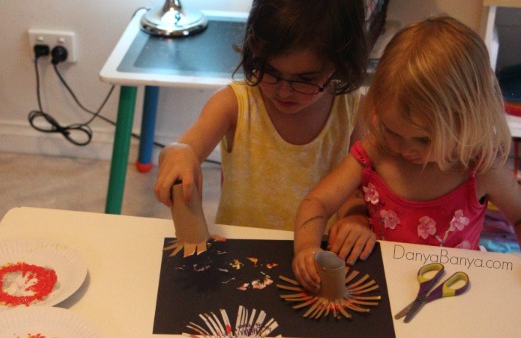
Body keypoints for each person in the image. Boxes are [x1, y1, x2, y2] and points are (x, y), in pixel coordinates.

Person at [293, 15, 521, 292]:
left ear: (466, 122)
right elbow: (317, 202)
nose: (403, 148)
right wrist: (306, 249)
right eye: (391, 130)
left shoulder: (481, 168)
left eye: (423, 140)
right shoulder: (376, 151)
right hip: (381, 286)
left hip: (453, 293)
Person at [154, 0, 372, 258]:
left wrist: (356, 218)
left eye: (305, 80)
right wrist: (179, 152)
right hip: (241, 253)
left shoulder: (354, 112)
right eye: (270, 71)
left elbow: (358, 187)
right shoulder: (234, 104)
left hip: (319, 254)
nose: (283, 91)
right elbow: (185, 147)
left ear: (340, 63)